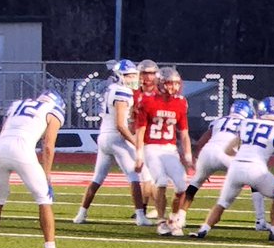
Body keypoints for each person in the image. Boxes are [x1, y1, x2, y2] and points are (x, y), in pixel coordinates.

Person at [0, 89, 69, 248]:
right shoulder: (53, 110)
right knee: (44, 198)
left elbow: (4, 131)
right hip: (21, 149)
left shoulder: (17, 105)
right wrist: (47, 175)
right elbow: (48, 145)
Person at [189, 97, 274, 241]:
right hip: (256, 168)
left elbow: (228, 149)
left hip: (236, 166)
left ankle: (203, 229)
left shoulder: (247, 123)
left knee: (222, 202)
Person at [73, 59, 149, 226]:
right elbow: (120, 125)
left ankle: (81, 214)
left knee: (97, 178)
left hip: (103, 137)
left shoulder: (112, 89)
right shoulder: (122, 92)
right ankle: (140, 216)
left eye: (133, 75)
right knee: (134, 177)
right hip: (115, 138)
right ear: (120, 76)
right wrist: (135, 142)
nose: (133, 78)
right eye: (129, 75)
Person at [134, 67, 194, 236]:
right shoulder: (147, 101)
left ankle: (173, 219)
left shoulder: (181, 102)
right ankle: (161, 220)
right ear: (160, 84)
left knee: (182, 184)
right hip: (151, 147)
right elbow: (140, 131)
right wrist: (139, 156)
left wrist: (188, 157)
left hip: (169, 149)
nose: (173, 87)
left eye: (176, 83)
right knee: (160, 181)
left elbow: (184, 133)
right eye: (169, 83)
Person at [181, 99, 254, 228]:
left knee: (194, 185)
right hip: (228, 155)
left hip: (208, 151)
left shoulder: (219, 121)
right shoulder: (247, 123)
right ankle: (260, 220)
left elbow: (200, 143)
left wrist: (199, 162)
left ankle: (180, 217)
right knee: (254, 183)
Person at [134, 59, 162, 218]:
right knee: (146, 177)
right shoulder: (134, 93)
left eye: (151, 73)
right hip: (138, 138)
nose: (148, 77)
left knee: (149, 178)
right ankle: (144, 208)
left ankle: (160, 211)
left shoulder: (161, 95)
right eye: (145, 73)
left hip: (154, 141)